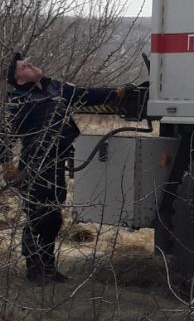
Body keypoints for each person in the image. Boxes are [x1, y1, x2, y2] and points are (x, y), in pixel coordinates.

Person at [2, 53, 146, 284]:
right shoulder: (17, 99)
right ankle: (35, 270)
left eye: (29, 62)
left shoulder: (55, 88)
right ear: (19, 80)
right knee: (39, 216)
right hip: (35, 166)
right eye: (24, 67)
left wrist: (117, 92)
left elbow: (87, 95)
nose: (31, 65)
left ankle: (48, 268)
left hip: (56, 162)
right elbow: (4, 136)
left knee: (54, 217)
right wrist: (8, 166)